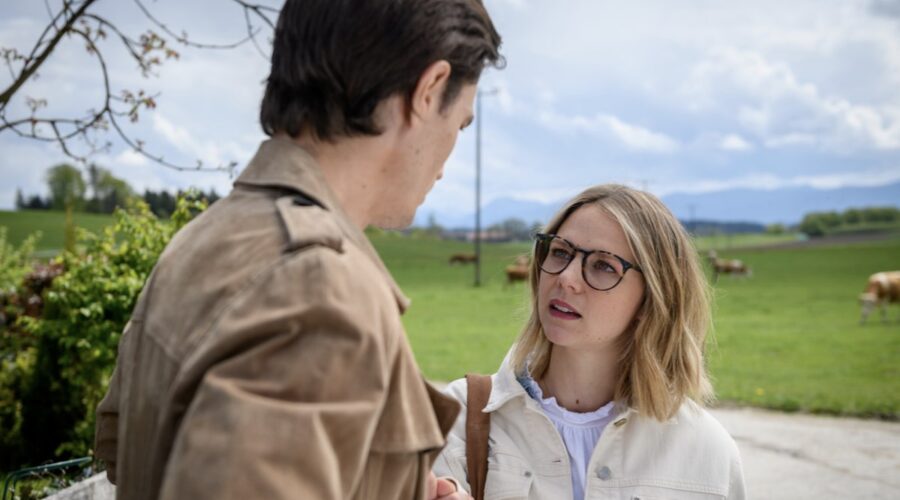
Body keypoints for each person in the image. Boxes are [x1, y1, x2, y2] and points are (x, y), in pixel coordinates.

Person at [94, 1, 502, 498]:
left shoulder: (206, 239)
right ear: (430, 89)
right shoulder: (316, 289)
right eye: (460, 124)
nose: (446, 160)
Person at [433, 184, 746, 499]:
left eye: (603, 265)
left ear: (651, 298)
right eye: (560, 252)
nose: (566, 278)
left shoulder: (707, 451)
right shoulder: (456, 420)